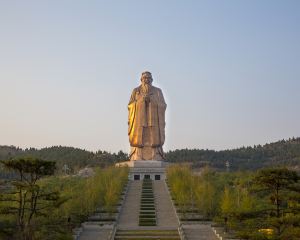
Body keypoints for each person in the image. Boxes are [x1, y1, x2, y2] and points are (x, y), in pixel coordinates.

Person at [128, 71, 167, 160]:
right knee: (139, 136)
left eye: (149, 78)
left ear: (152, 80)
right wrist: (141, 101)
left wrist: (152, 101)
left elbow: (163, 105)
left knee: (154, 136)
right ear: (141, 79)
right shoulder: (136, 91)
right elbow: (130, 105)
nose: (147, 80)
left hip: (153, 121)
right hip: (139, 121)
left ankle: (156, 154)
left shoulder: (158, 91)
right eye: (145, 78)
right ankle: (137, 154)